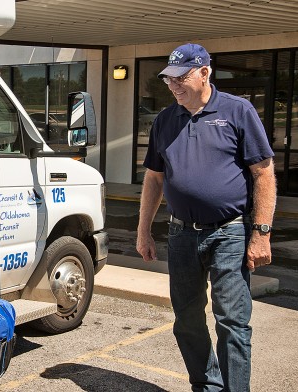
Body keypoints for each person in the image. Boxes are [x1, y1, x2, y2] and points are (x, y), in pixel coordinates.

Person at [136, 43, 276, 392]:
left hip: (228, 233)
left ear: (205, 73)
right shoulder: (166, 120)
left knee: (232, 322)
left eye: (181, 78)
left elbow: (263, 173)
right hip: (181, 235)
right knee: (186, 319)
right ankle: (207, 385)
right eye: (169, 79)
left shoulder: (237, 111)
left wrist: (261, 234)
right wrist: (143, 232)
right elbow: (154, 179)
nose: (174, 86)